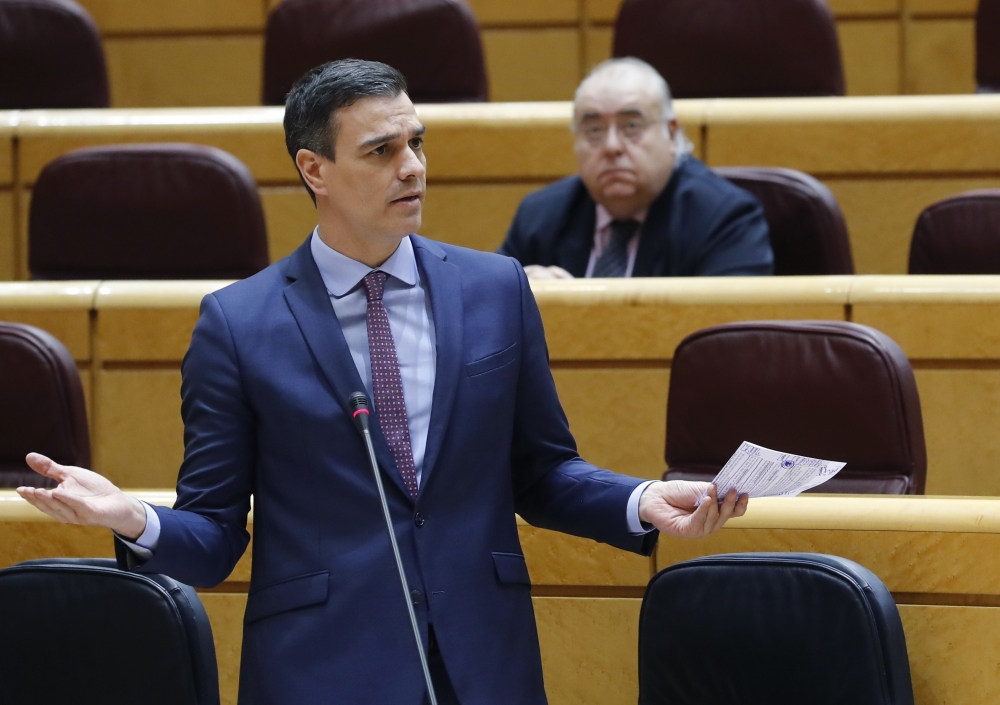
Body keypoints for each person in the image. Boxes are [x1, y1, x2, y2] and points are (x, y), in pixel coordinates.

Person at [16, 59, 748, 705]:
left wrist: (643, 499)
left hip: (483, 666)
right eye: (382, 150)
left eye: (416, 142)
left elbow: (543, 470)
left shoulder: (496, 289)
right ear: (315, 170)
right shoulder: (239, 324)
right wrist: (129, 517)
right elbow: (211, 535)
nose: (413, 167)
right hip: (321, 671)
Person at [499, 58, 774, 280]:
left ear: (671, 132)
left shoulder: (724, 219)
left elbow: (724, 337)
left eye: (631, 126)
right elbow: (480, 313)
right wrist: (517, 293)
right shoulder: (539, 216)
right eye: (594, 130)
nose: (611, 147)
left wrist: (577, 311)